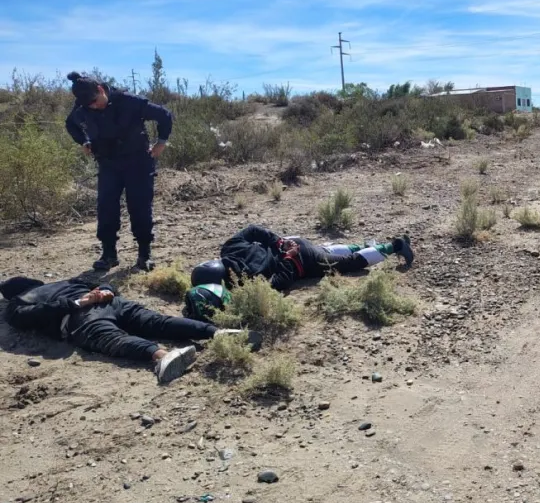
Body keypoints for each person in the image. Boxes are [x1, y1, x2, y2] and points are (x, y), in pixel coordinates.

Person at [1, 276, 260, 384]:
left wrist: (79, 303)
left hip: (79, 315)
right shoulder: (69, 281)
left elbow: (25, 317)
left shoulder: (18, 302)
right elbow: (104, 284)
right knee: (157, 322)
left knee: (111, 338)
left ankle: (161, 356)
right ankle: (216, 332)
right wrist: (105, 292)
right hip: (112, 303)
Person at [64, 72, 175, 272]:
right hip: (108, 164)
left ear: (100, 90)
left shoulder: (129, 101)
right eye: (88, 105)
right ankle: (109, 255)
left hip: (138, 162)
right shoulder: (83, 107)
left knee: (139, 206)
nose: (93, 107)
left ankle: (144, 255)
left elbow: (164, 115)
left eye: (95, 101)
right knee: (106, 207)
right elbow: (71, 124)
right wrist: (84, 141)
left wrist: (161, 142)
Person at [193, 225, 414, 292]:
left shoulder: (246, 278)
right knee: (326, 251)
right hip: (294, 241)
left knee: (349, 264)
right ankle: (368, 246)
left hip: (300, 258)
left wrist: (287, 256)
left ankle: (395, 246)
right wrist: (279, 241)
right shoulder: (229, 248)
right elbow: (253, 230)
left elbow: (281, 281)